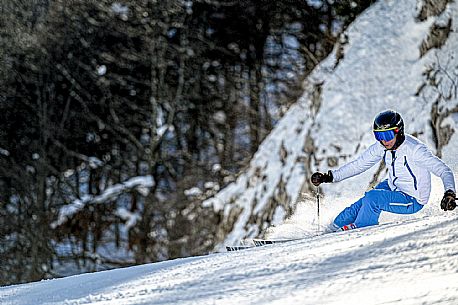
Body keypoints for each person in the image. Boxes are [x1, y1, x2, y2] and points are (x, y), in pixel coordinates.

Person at [311, 110, 456, 231]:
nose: (384, 141)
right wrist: (329, 177)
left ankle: (359, 230)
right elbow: (359, 165)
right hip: (394, 187)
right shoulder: (382, 147)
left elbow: (444, 171)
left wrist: (449, 192)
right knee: (361, 203)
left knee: (373, 198)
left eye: (387, 135)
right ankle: (333, 228)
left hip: (412, 199)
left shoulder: (416, 150)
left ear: (398, 132)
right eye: (379, 136)